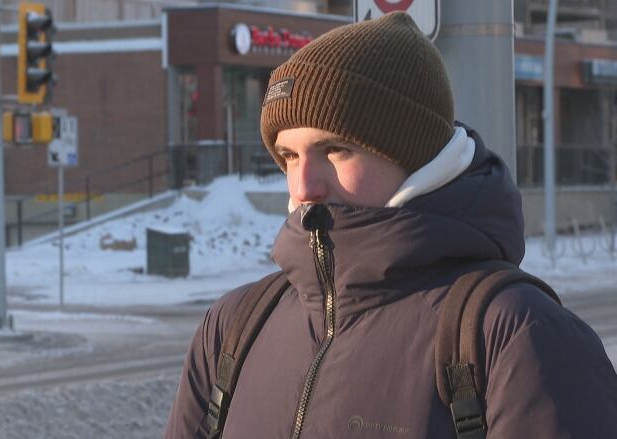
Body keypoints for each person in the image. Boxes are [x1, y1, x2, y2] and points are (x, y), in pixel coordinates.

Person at [164, 12, 617, 438]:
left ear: (412, 154)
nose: (303, 185)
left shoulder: (515, 334)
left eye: (336, 150)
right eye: (289, 156)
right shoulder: (232, 328)